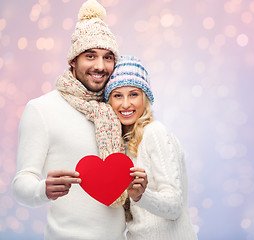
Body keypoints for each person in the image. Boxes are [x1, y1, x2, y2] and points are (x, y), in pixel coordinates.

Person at [12, 1, 146, 239]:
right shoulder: (42, 109)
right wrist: (42, 189)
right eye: (90, 56)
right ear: (73, 60)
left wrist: (140, 190)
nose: (100, 66)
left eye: (108, 58)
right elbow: (21, 185)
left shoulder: (116, 110)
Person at [105, 55, 198, 239]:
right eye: (117, 95)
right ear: (109, 101)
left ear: (145, 97)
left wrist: (141, 196)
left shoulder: (154, 133)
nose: (125, 104)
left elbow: (174, 206)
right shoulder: (119, 144)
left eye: (133, 94)